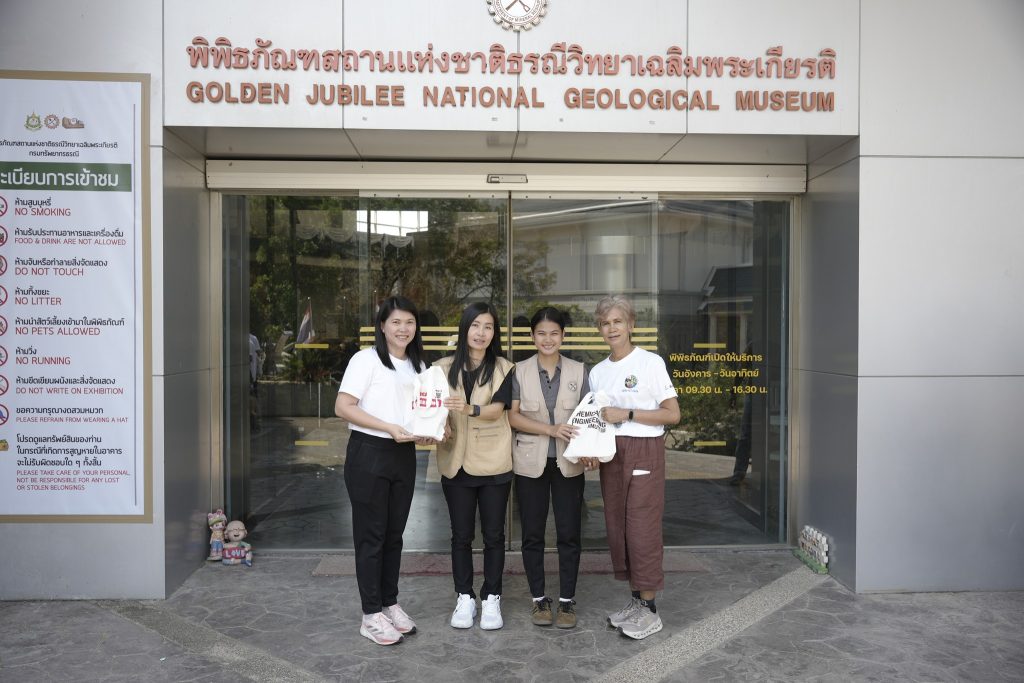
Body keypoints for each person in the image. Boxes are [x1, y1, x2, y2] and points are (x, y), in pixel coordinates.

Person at [335, 296, 433, 646]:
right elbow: (343, 406)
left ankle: (389, 603)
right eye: (395, 322)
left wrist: (430, 431)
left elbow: (420, 414)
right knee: (371, 536)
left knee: (394, 535)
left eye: (409, 322)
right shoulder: (366, 360)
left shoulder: (419, 365)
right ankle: (370, 614)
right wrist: (388, 426)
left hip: (403, 454)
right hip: (369, 453)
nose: (403, 329)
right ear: (382, 326)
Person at [589, 295, 680, 641]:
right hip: (612, 454)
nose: (611, 328)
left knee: (642, 529)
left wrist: (626, 413)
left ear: (631, 325)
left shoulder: (650, 363)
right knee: (619, 529)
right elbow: (597, 420)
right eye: (605, 323)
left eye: (617, 321)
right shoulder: (598, 372)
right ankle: (636, 602)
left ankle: (650, 610)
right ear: (599, 329)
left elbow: (672, 414)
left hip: (644, 451)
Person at [508, 306, 594, 629]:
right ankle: (539, 599)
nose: (548, 339)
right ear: (532, 336)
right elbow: (513, 417)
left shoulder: (579, 371)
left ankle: (567, 601)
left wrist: (591, 451)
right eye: (541, 333)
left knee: (569, 533)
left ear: (563, 336)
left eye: (554, 333)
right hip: (530, 463)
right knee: (532, 533)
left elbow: (590, 417)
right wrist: (550, 429)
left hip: (569, 463)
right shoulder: (518, 371)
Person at [436, 302, 515, 631]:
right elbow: (432, 408)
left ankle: (492, 596)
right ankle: (465, 596)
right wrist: (440, 424)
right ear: (465, 328)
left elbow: (498, 410)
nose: (481, 333)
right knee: (461, 536)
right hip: (455, 462)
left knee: (494, 535)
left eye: (488, 327)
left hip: (494, 461)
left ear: (494, 333)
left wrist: (468, 409)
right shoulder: (441, 368)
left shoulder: (504, 367)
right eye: (475, 325)